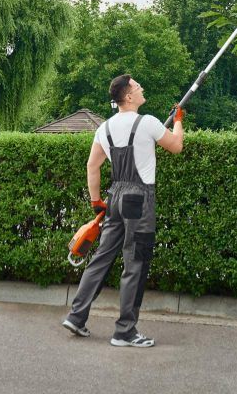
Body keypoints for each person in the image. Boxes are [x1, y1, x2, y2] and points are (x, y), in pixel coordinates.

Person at [61, 74, 184, 347]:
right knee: (135, 263)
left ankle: (76, 316)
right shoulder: (148, 122)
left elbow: (92, 167)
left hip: (114, 196)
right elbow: (176, 146)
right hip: (139, 199)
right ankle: (125, 331)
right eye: (138, 87)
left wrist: (97, 202)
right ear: (128, 96)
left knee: (101, 259)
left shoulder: (103, 128)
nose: (142, 89)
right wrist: (178, 121)